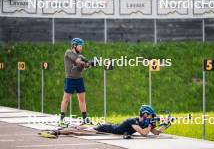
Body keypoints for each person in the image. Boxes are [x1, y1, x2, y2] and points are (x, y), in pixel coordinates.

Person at [40, 105, 169, 138]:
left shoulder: (145, 123)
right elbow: (144, 134)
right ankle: (57, 132)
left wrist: (166, 124)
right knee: (78, 133)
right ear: (145, 114)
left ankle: (65, 129)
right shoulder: (133, 121)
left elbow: (156, 133)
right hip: (106, 130)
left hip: (108, 129)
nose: (152, 118)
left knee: (81, 129)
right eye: (150, 116)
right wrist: (152, 124)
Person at [60, 38, 91, 127]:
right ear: (74, 46)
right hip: (70, 79)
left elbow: (87, 62)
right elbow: (79, 62)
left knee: (82, 100)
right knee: (66, 100)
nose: (81, 48)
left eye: (82, 46)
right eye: (80, 46)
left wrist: (91, 63)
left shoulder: (80, 56)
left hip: (79, 79)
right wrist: (86, 64)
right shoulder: (68, 52)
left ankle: (85, 118)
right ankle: (62, 119)